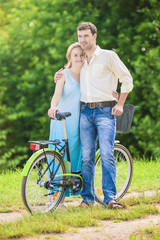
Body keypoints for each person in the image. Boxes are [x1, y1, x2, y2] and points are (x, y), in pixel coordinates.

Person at [77, 22, 133, 209]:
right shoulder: (80, 59)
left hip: (105, 112)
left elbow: (127, 79)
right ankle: (87, 199)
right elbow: (69, 77)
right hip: (85, 112)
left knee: (107, 154)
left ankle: (110, 198)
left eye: (86, 36)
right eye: (80, 37)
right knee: (86, 157)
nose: (83, 40)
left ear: (94, 36)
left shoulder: (108, 56)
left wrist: (120, 104)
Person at [48, 42, 85, 203]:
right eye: (75, 55)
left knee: (75, 158)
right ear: (69, 57)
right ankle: (54, 198)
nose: (79, 58)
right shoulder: (63, 74)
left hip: (79, 125)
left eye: (82, 55)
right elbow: (56, 95)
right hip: (62, 121)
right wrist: (53, 107)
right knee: (58, 157)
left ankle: (65, 195)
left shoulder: (87, 75)